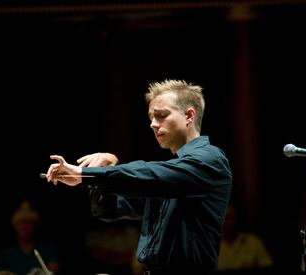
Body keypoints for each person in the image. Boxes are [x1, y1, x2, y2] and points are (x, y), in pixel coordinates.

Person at [44, 79, 233, 274]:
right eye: (151, 117)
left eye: (161, 115)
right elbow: (107, 211)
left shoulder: (209, 160)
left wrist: (85, 174)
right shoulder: (169, 176)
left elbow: (152, 175)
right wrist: (105, 167)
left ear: (189, 115)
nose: (152, 124)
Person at [0, 200, 60, 275]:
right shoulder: (5, 254)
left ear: (34, 225)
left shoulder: (47, 250)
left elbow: (53, 269)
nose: (24, 226)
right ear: (15, 226)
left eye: (28, 222)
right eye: (21, 222)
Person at [216, 204, 274, 273]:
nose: (226, 222)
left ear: (237, 219)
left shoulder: (253, 242)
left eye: (230, 218)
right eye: (224, 218)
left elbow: (268, 266)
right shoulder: (211, 245)